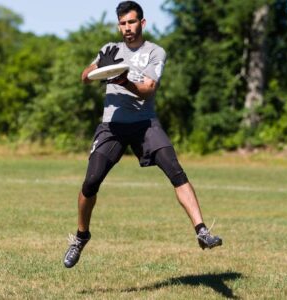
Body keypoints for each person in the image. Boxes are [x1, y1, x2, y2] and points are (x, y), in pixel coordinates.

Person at [63, 0, 222, 269]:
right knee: (90, 183)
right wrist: (100, 69)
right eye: (123, 23)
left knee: (175, 171)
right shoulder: (109, 49)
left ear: (142, 23)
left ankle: (202, 231)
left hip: (145, 123)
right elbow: (84, 76)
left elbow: (149, 88)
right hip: (111, 127)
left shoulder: (155, 52)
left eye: (132, 22)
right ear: (119, 25)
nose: (127, 28)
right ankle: (81, 237)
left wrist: (124, 80)